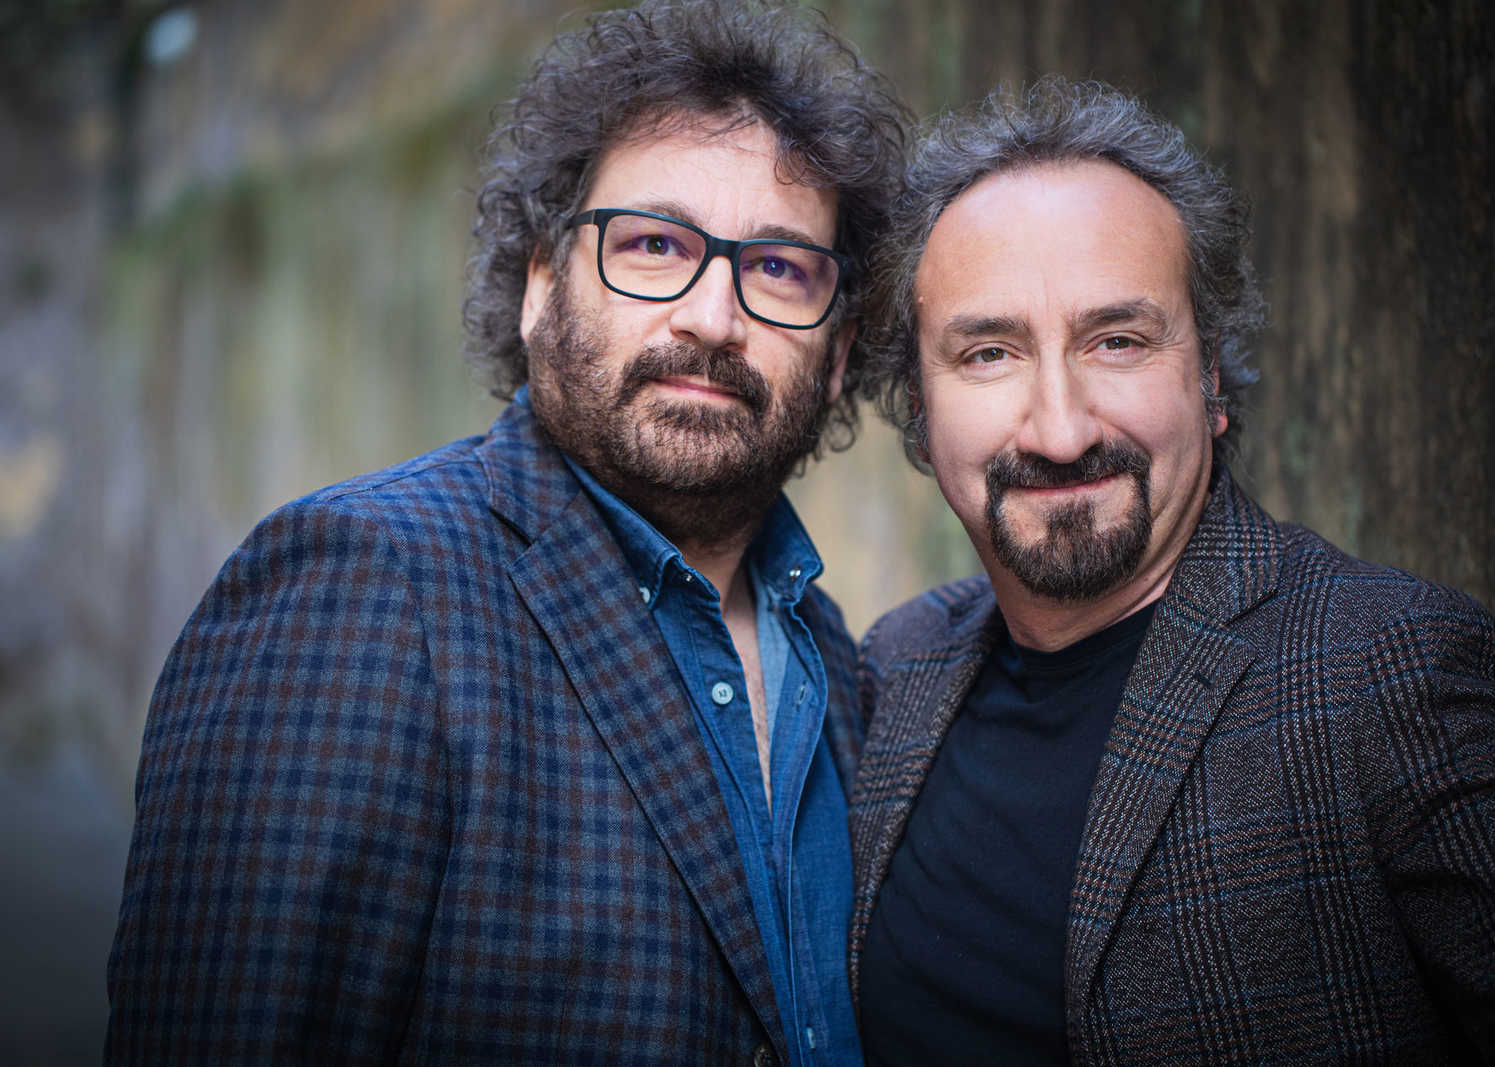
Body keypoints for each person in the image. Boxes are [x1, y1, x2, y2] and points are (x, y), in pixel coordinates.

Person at [105, 2, 907, 1062]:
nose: (714, 317)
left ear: (838, 354)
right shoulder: (363, 587)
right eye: (653, 244)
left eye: (777, 268)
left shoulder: (836, 658)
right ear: (539, 285)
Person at [849, 77, 1495, 1065]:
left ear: (1209, 378)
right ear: (918, 406)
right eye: (989, 352)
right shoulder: (892, 668)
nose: (1061, 429)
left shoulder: (1397, 672)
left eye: (1118, 341)